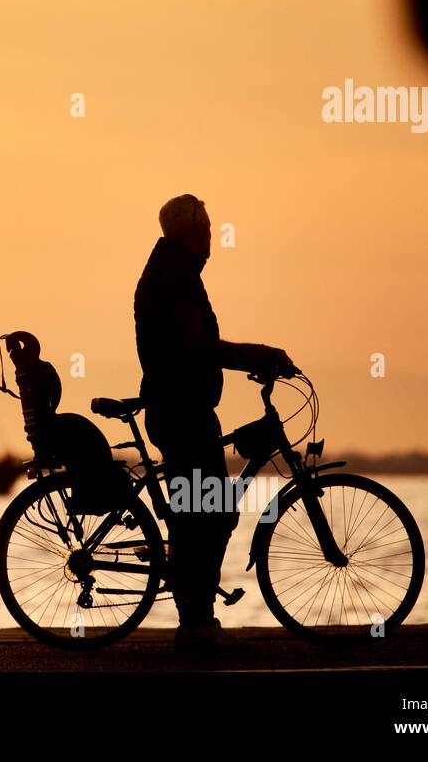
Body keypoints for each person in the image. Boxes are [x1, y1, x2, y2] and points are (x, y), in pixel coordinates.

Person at [134, 193, 296, 653]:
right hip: (181, 413)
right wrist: (260, 355)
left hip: (181, 409)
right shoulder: (176, 275)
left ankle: (197, 618)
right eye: (206, 227)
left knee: (207, 513)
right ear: (192, 232)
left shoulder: (173, 269)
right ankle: (196, 624)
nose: (211, 236)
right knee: (203, 516)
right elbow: (198, 348)